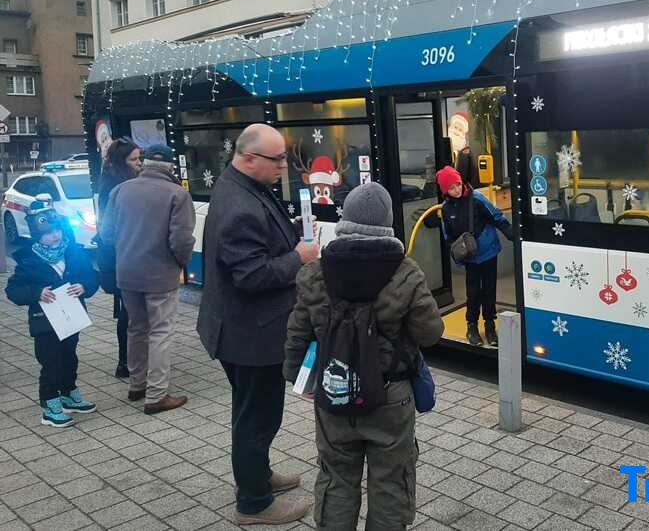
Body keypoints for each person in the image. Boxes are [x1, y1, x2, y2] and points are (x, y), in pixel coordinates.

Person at [283, 182, 444, 530]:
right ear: (387, 221)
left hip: (333, 390)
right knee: (391, 479)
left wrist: (299, 378)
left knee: (336, 476)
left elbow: (297, 334)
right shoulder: (406, 272)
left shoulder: (314, 272)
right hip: (390, 395)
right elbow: (430, 334)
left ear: (345, 220)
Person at [196, 124, 319, 526]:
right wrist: (297, 257)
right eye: (277, 159)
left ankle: (258, 475)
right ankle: (254, 503)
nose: (283, 165)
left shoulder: (243, 186)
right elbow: (250, 276)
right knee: (257, 417)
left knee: (253, 412)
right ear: (248, 158)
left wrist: (290, 243)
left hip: (247, 329)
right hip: (250, 334)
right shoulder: (239, 205)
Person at [100, 144, 195, 414]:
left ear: (146, 164)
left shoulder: (120, 190)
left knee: (136, 328)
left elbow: (106, 234)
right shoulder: (177, 194)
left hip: (127, 272)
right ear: (169, 168)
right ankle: (157, 394)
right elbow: (181, 240)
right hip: (160, 274)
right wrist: (179, 263)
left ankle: (137, 385)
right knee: (160, 331)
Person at [6, 197, 99, 428]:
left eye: (57, 231)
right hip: (45, 322)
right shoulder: (28, 259)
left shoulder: (73, 252)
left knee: (70, 356)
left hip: (71, 317)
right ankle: (49, 404)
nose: (55, 237)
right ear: (38, 236)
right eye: (48, 234)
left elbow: (91, 276)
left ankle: (69, 392)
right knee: (50, 361)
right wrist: (36, 292)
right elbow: (13, 290)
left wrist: (84, 286)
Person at [435, 165, 513, 347]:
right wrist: (458, 258)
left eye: (458, 184)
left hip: (488, 252)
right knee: (472, 293)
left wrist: (513, 236)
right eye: (451, 188)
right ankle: (471, 326)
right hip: (469, 257)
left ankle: (490, 325)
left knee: (489, 290)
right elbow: (449, 237)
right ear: (445, 191)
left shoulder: (477, 199)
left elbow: (497, 217)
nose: (456, 189)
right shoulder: (446, 209)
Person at [97, 137, 141, 378]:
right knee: (129, 312)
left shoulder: (115, 182)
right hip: (122, 259)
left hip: (122, 258)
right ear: (121, 162)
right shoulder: (116, 188)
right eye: (134, 159)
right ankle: (126, 361)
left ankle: (128, 360)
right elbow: (110, 230)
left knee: (128, 311)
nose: (139, 163)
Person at [447, 112, 478, 187]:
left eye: (460, 130)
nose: (456, 132)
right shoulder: (443, 150)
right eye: (455, 127)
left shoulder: (466, 154)